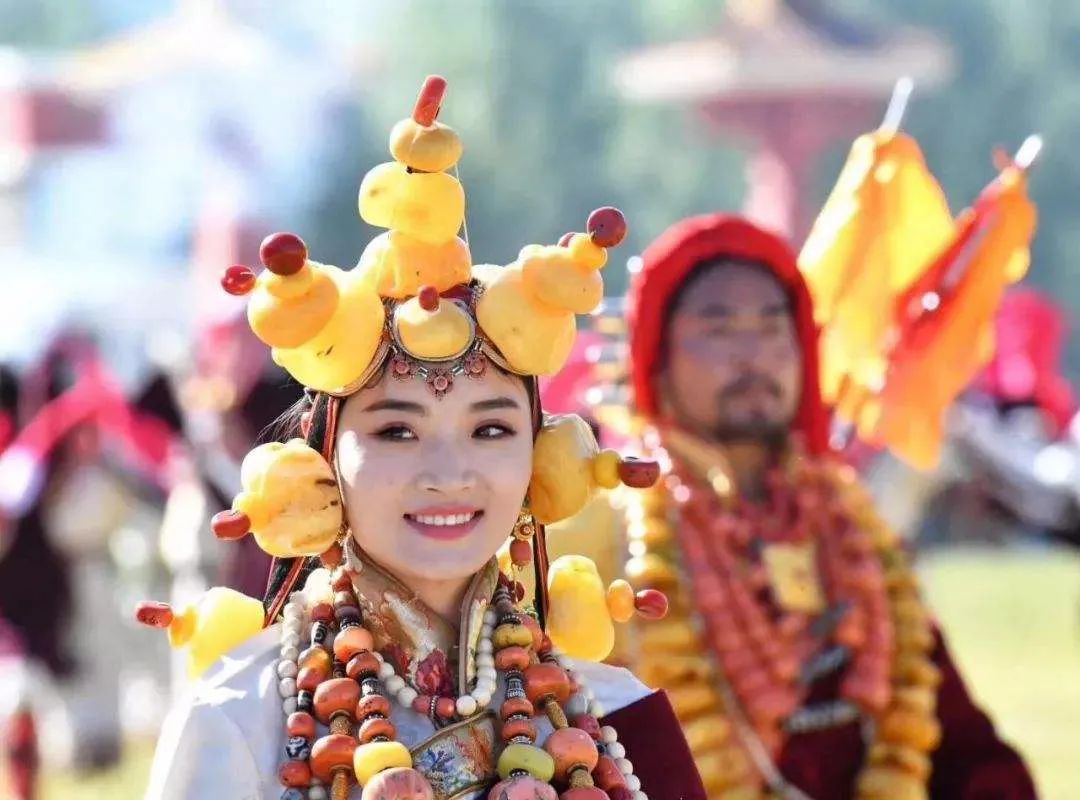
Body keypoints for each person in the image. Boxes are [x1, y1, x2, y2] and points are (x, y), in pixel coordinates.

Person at [141, 77, 704, 800]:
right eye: (397, 430)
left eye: (491, 429)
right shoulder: (240, 722)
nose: (448, 471)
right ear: (323, 463)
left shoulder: (616, 720)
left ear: (538, 462)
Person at [608, 214, 1037, 799]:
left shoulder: (849, 531)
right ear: (656, 356)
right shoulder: (616, 535)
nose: (754, 356)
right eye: (719, 328)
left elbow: (965, 750)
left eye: (772, 327)